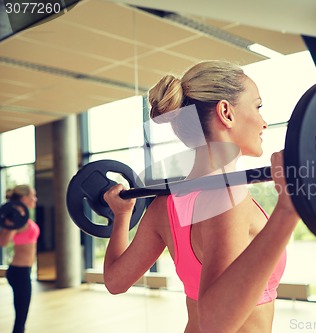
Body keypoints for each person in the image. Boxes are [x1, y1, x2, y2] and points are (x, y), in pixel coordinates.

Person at [103, 60, 300, 332]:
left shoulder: (165, 205)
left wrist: (122, 216)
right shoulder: (226, 198)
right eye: (257, 106)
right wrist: (288, 210)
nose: (264, 123)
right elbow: (214, 325)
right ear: (226, 112)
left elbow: (115, 281)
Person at [0, 184, 39, 333]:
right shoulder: (16, 216)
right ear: (24, 198)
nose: (35, 199)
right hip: (19, 273)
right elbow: (3, 242)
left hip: (23, 271)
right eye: (33, 196)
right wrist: (11, 224)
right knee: (21, 319)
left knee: (22, 316)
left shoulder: (22, 216)